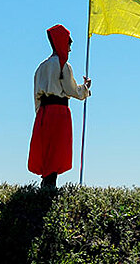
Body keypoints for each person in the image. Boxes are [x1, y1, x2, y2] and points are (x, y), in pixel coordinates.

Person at [28, 24, 91, 188]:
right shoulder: (64, 66)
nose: (70, 49)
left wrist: (39, 114)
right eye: (69, 44)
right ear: (63, 43)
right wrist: (85, 88)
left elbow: (36, 95)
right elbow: (72, 91)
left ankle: (46, 185)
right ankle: (49, 188)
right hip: (60, 112)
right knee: (57, 150)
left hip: (43, 112)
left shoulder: (41, 67)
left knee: (46, 150)